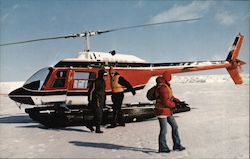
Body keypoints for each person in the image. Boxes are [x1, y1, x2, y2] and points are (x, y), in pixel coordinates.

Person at [154, 72, 185, 153]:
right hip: (162, 111)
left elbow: (169, 97)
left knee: (175, 126)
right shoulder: (162, 87)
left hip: (167, 111)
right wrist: (174, 105)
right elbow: (165, 102)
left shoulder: (166, 86)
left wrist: (176, 100)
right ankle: (163, 147)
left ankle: (177, 145)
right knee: (164, 130)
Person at [87, 69, 106, 133]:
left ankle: (89, 124)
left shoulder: (103, 81)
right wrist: (90, 100)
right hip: (96, 100)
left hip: (101, 99)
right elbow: (91, 91)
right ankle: (97, 129)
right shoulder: (96, 81)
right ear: (101, 74)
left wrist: (104, 100)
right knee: (99, 115)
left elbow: (103, 92)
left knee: (99, 115)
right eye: (104, 74)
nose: (104, 75)